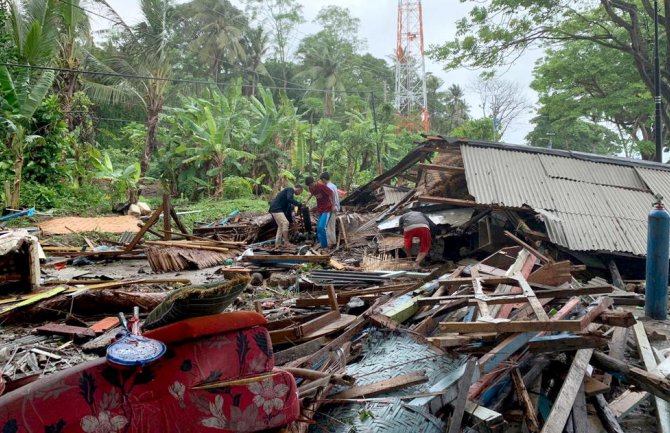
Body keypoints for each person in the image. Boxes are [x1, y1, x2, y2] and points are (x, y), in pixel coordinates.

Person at [305, 176, 333, 249]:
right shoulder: (311, 188)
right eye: (309, 186)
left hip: (327, 208)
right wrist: (306, 201)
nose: (311, 187)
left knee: (321, 227)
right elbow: (311, 193)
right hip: (320, 209)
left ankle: (324, 246)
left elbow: (331, 193)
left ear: (314, 182)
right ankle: (319, 242)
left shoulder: (321, 186)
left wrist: (334, 205)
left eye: (311, 185)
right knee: (318, 227)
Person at [320, 172, 340, 247]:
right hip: (334, 207)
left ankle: (331, 243)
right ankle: (332, 242)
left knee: (329, 226)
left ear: (324, 179)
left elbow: (331, 198)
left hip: (331, 208)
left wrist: (332, 206)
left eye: (322, 180)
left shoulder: (328, 187)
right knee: (331, 225)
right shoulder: (333, 186)